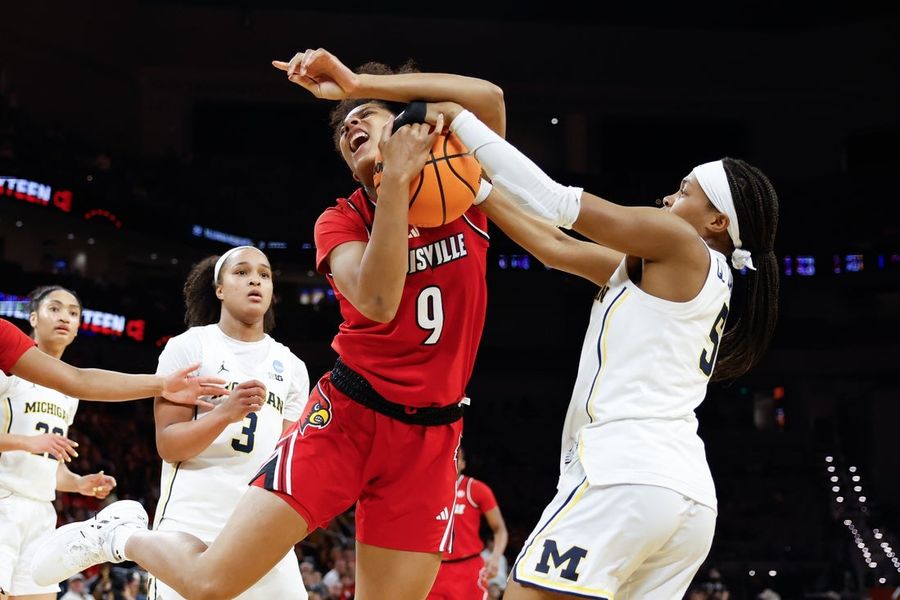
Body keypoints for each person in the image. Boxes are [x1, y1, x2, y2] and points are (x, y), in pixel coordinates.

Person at [33, 48, 505, 600]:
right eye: (344, 130)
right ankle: (121, 535)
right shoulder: (341, 220)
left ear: (405, 121)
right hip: (351, 416)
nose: (350, 127)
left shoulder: (464, 186)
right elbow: (378, 300)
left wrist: (355, 84)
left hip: (433, 433)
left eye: (364, 117)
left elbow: (489, 99)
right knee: (210, 584)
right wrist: (394, 181)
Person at [425, 105, 779, 599]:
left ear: (718, 220)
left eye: (684, 192)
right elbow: (556, 248)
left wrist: (461, 123)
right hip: (688, 499)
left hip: (626, 473)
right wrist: (479, 190)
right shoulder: (682, 276)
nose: (669, 198)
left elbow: (555, 202)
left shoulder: (680, 243)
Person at [147, 246, 309, 599]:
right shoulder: (189, 347)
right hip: (192, 523)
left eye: (264, 274)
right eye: (242, 272)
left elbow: (285, 463)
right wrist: (224, 413)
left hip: (260, 529)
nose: (255, 280)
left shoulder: (292, 367)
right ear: (219, 289)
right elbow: (169, 446)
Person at [0, 286, 117, 600]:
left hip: (41, 511)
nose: (64, 317)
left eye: (73, 313)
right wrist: (27, 442)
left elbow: (53, 468)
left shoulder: (69, 393)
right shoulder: (8, 371)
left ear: (78, 327)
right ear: (33, 318)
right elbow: (35, 444)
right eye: (54, 308)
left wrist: (78, 483)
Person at [427, 447, 508, 600]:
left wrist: (495, 557)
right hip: (434, 567)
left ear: (463, 464)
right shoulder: (427, 490)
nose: (451, 463)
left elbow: (500, 529)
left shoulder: (476, 489)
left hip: (467, 567)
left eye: (456, 459)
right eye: (447, 459)